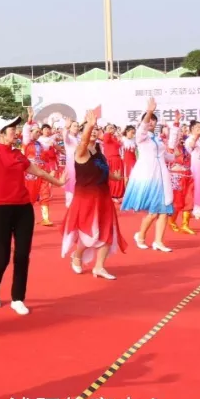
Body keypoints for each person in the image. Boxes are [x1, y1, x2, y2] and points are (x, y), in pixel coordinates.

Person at [0, 116, 63, 315]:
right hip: (1, 210)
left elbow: (38, 171)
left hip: (23, 209)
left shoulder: (17, 154)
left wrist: (58, 182)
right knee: (3, 256)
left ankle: (18, 297)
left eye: (15, 128)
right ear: (0, 131)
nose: (15, 132)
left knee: (22, 255)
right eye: (11, 129)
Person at [62, 110, 127, 279]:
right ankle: (77, 256)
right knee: (90, 233)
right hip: (86, 198)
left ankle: (99, 267)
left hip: (103, 197)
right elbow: (83, 142)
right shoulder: (80, 152)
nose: (94, 131)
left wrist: (115, 177)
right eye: (91, 129)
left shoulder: (100, 152)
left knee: (107, 231)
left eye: (96, 129)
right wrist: (89, 126)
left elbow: (103, 171)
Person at [121, 98, 175, 252]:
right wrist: (149, 111)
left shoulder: (157, 139)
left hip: (162, 177)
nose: (152, 122)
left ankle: (158, 241)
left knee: (165, 209)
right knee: (152, 213)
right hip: (149, 176)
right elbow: (143, 128)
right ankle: (141, 235)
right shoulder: (141, 137)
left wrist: (176, 156)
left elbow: (167, 155)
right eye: (150, 120)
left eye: (154, 120)